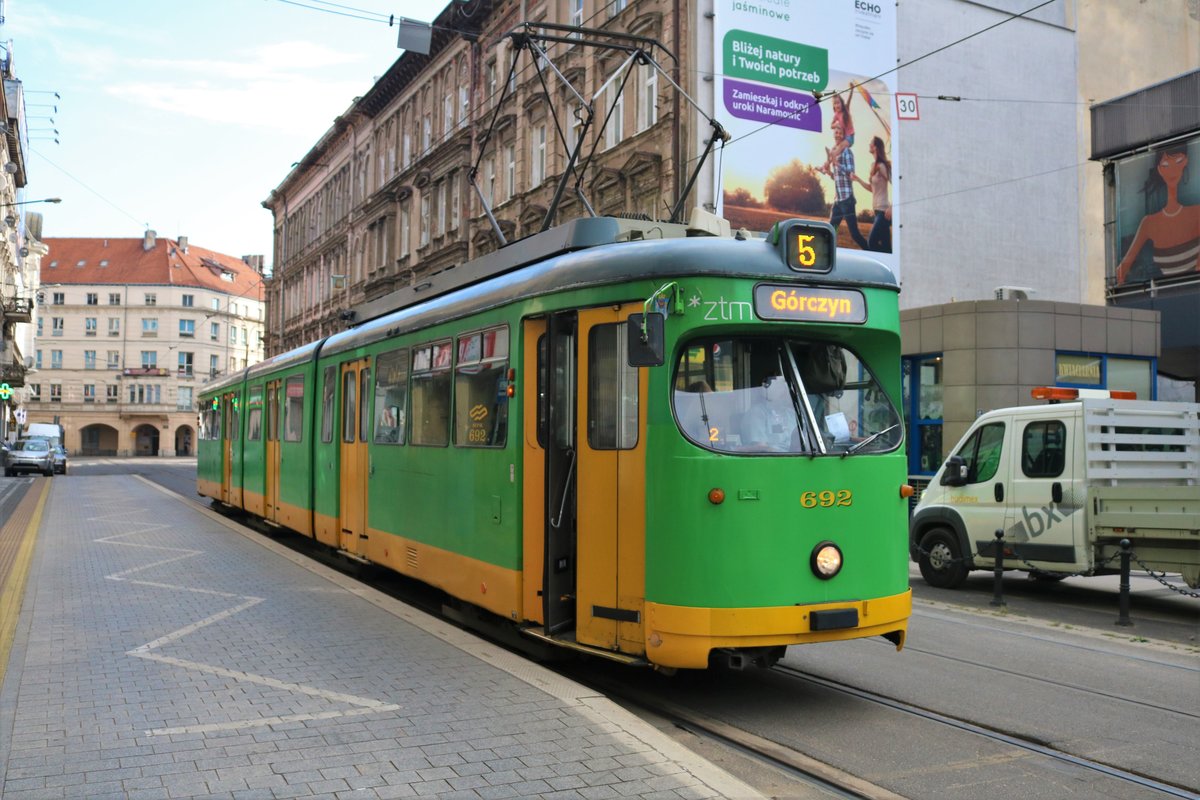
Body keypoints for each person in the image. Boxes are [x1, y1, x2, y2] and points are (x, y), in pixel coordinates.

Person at [1116, 145, 1199, 284]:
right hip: (1164, 298)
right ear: (1160, 169)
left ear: (1185, 162)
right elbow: (1121, 269)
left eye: (1178, 161)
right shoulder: (1149, 223)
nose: (1172, 170)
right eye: (1166, 164)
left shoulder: (1197, 213)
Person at [819, 121, 870, 250]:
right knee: (831, 230)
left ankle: (871, 251)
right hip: (838, 201)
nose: (837, 135)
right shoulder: (834, 151)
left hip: (847, 200)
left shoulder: (847, 152)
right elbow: (836, 178)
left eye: (840, 133)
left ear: (843, 136)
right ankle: (826, 253)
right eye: (836, 132)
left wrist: (837, 164)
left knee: (855, 234)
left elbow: (851, 174)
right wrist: (828, 172)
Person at [853, 136, 892, 252]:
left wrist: (892, 207)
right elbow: (872, 189)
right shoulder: (873, 166)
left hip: (884, 212)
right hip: (877, 212)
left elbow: (896, 185)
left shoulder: (882, 166)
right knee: (886, 248)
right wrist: (858, 179)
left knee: (871, 242)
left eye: (871, 143)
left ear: (876, 147)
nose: (869, 145)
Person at [742, 373, 797, 451]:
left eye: (786, 387)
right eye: (780, 388)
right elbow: (761, 448)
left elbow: (807, 442)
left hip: (798, 457)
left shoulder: (793, 414)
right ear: (768, 391)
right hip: (774, 460)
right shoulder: (757, 413)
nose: (786, 392)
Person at [823, 83, 857, 174]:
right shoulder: (836, 115)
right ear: (833, 106)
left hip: (850, 137)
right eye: (835, 104)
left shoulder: (846, 109)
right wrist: (836, 125)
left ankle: (834, 161)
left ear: (841, 103)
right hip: (844, 138)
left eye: (838, 103)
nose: (837, 105)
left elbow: (849, 100)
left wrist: (852, 90)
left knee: (840, 147)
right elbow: (831, 125)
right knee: (834, 148)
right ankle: (824, 167)